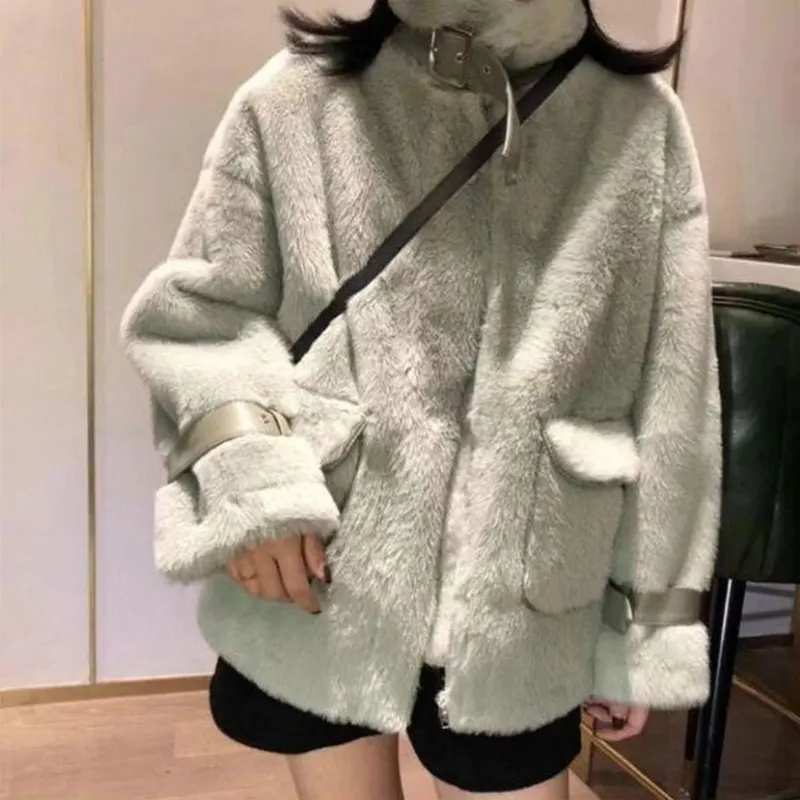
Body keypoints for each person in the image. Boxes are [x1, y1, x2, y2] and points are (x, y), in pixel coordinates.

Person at [121, 0, 721, 797]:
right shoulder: (296, 99)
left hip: (528, 596)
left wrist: (643, 627)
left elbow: (675, 396)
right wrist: (251, 483)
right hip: (322, 566)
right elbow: (197, 322)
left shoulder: (639, 127)